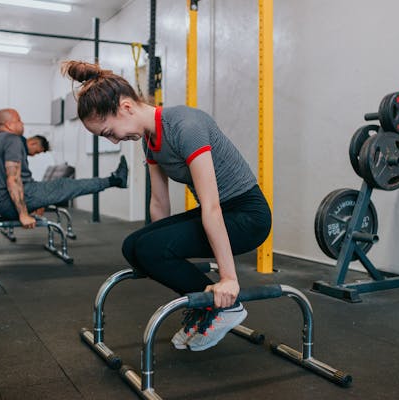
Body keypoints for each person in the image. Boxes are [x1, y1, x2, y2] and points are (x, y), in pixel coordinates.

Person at [62, 61, 272, 352]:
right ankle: (207, 307)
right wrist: (158, 248)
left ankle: (226, 307)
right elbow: (159, 202)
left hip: (247, 216)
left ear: (125, 107)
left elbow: (211, 206)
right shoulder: (149, 141)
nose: (113, 139)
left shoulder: (185, 126)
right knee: (134, 246)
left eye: (109, 131)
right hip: (220, 211)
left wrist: (228, 278)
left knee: (149, 248)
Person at [0, 108, 128, 229]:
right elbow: (13, 179)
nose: (22, 123)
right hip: (14, 202)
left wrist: (39, 200)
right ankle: (115, 180)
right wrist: (23, 214)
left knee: (57, 187)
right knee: (67, 185)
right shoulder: (13, 140)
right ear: (9, 124)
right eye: (19, 120)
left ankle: (114, 179)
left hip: (3, 203)